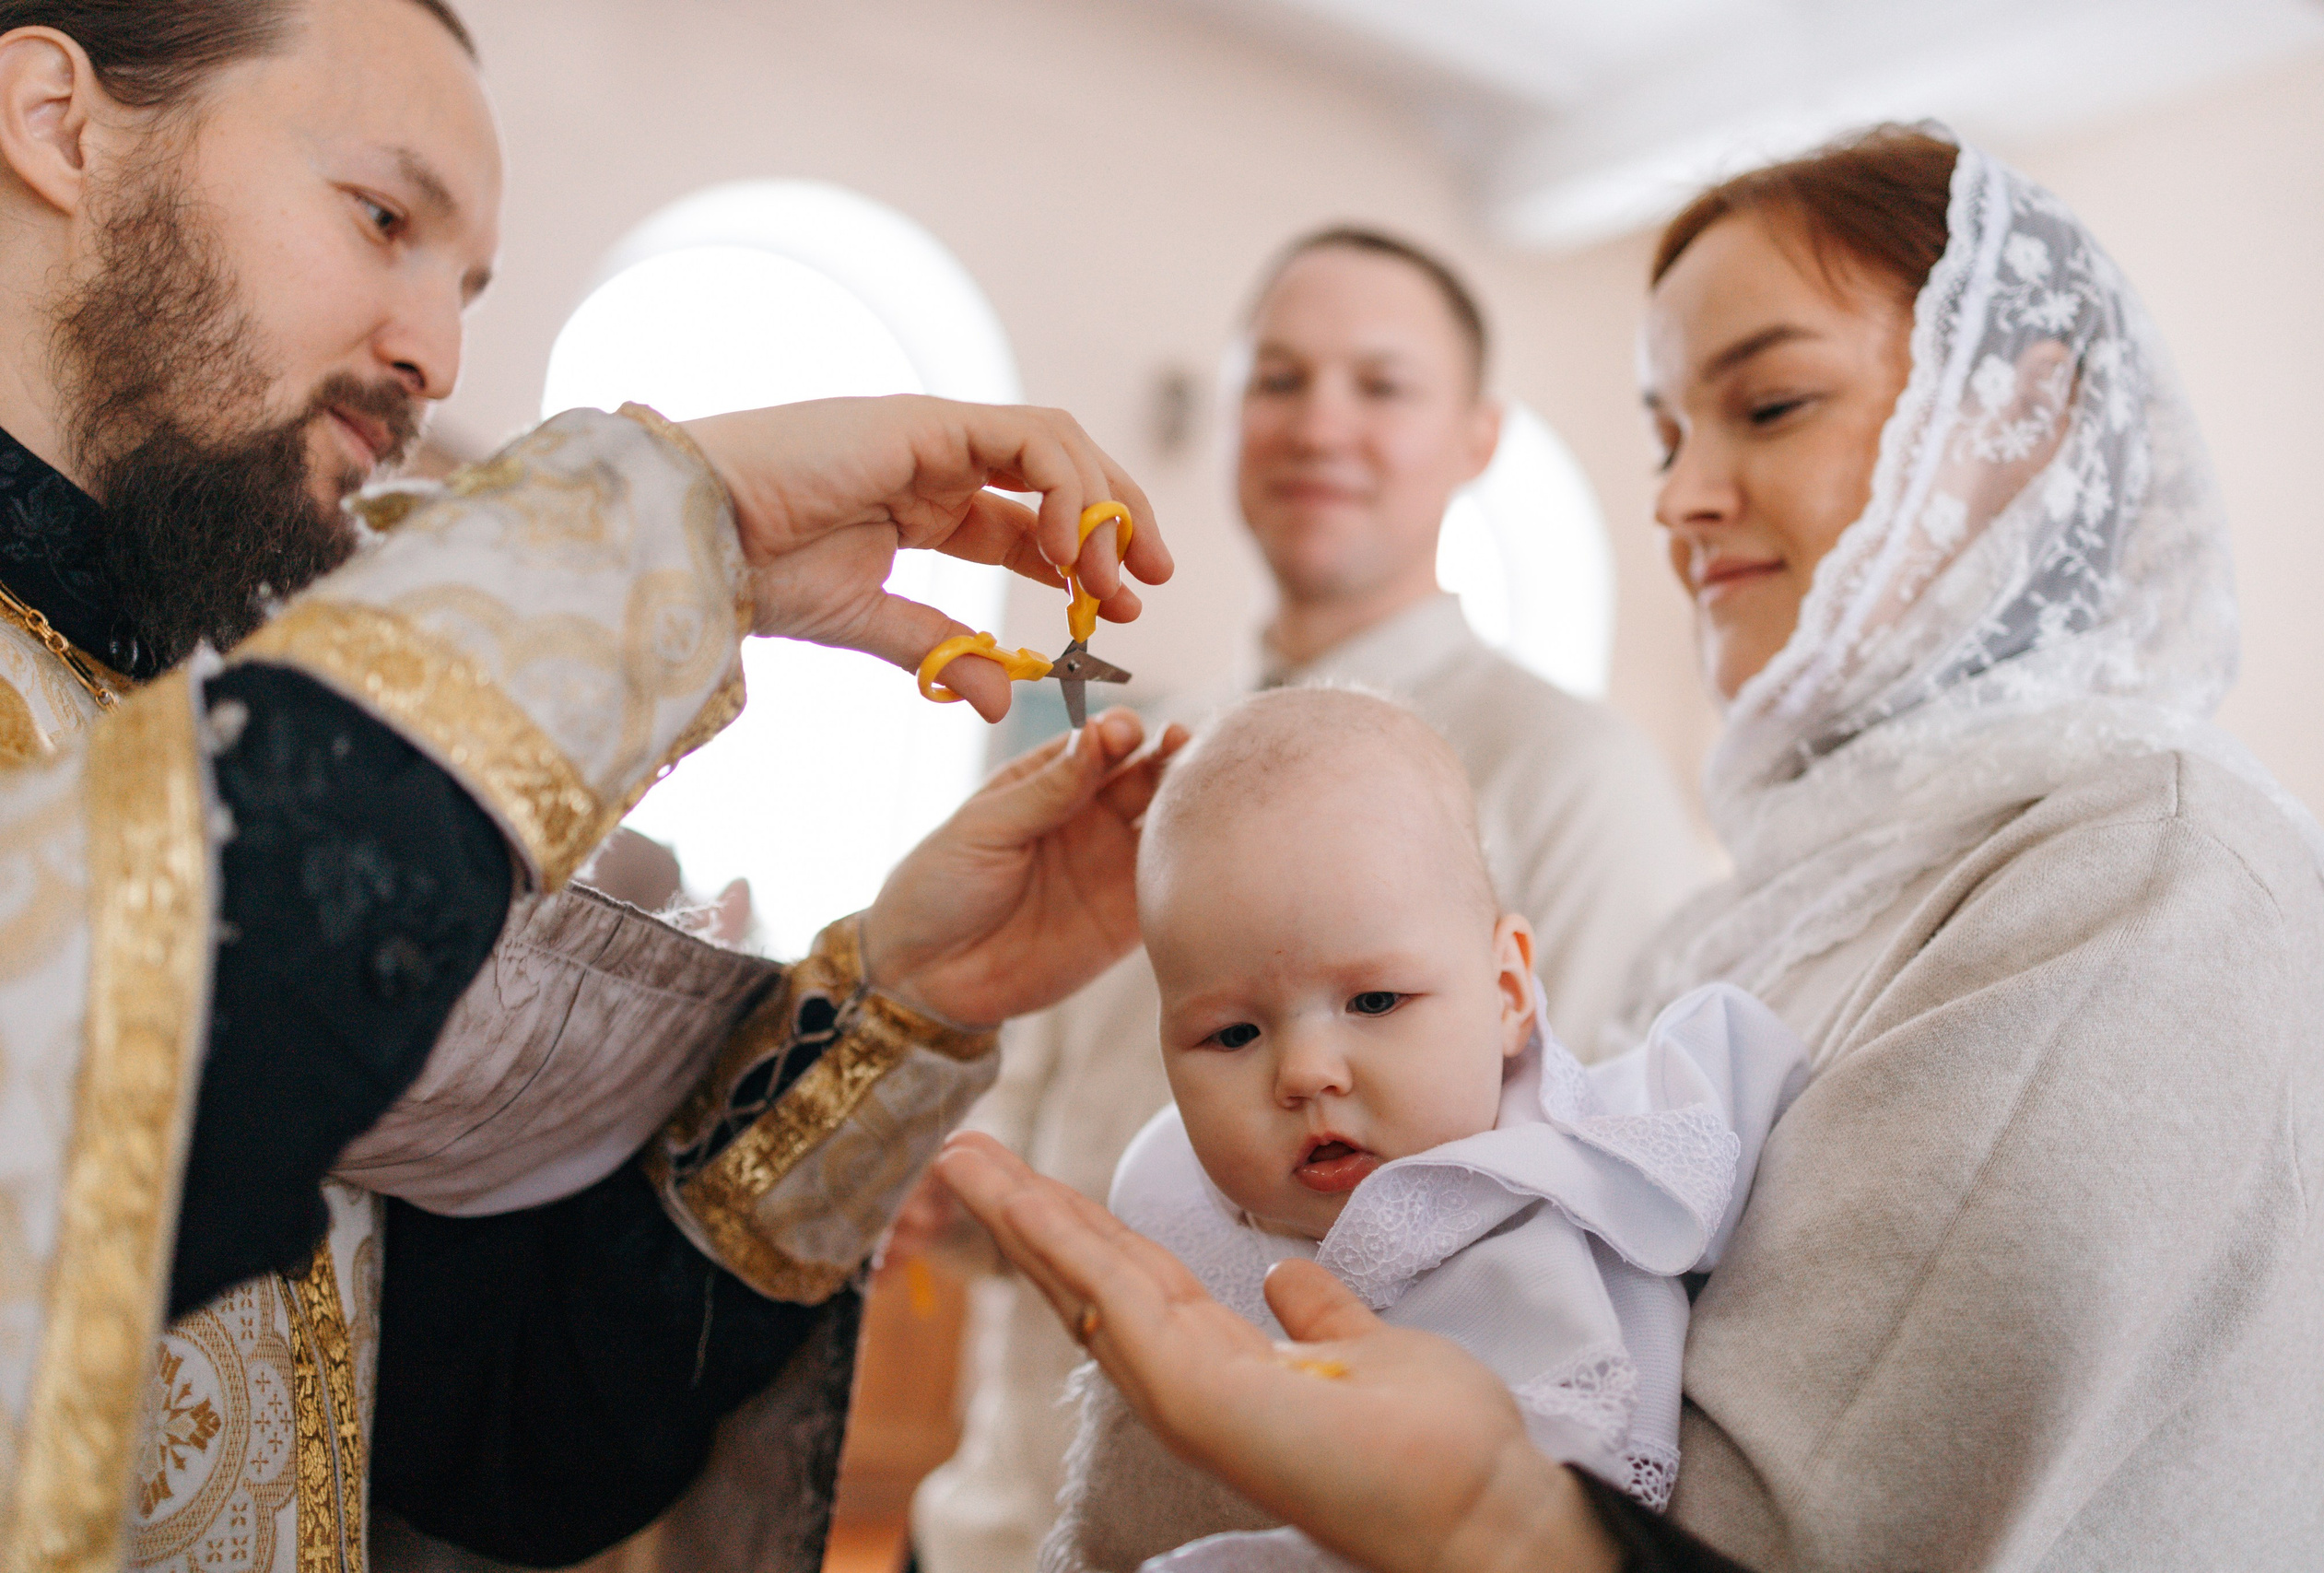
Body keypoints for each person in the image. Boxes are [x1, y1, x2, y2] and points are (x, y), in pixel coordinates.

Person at [931, 125, 2324, 1573]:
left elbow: (1800, 1519)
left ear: (2023, 414)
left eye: (1773, 403)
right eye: (1667, 436)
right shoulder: (1765, 904)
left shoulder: (2145, 871)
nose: (1677, 498)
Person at [0, 1, 1180, 1568]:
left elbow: (498, 1439)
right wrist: (655, 525)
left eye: (464, 281)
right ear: (55, 122)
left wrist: (898, 998)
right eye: (382, 217)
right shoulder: (268, 776)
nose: (436, 353)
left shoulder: (206, 712)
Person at [908, 227, 1705, 1573]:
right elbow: (1053, 1118)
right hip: (1002, 1518)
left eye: (1381, 385)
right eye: (1277, 378)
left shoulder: (1569, 773)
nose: (1319, 421)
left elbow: (1581, 1195)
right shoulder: (1140, 754)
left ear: (1477, 437)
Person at [1039, 688, 1803, 1573]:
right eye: (1232, 1033)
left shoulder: (1547, 1199)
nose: (1304, 1071)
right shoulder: (1169, 1184)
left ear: (1509, 992)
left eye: (1374, 1000)